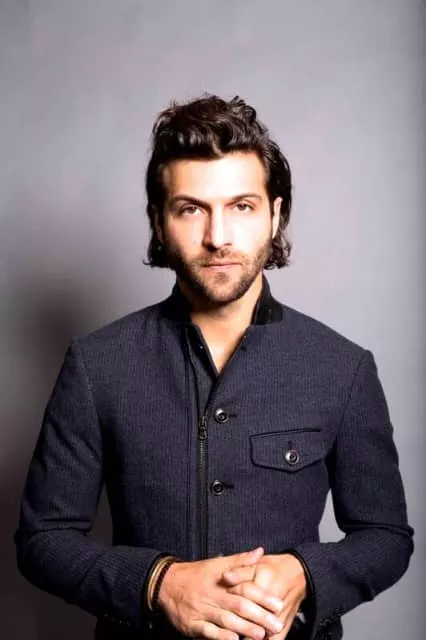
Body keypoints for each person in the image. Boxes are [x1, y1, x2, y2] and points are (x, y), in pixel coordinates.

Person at [15, 95, 413, 640]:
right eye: (190, 209)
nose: (218, 237)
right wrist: (158, 583)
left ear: (275, 215)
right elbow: (42, 539)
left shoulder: (343, 368)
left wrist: (304, 573)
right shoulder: (96, 364)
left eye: (242, 206)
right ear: (158, 222)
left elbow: (386, 537)